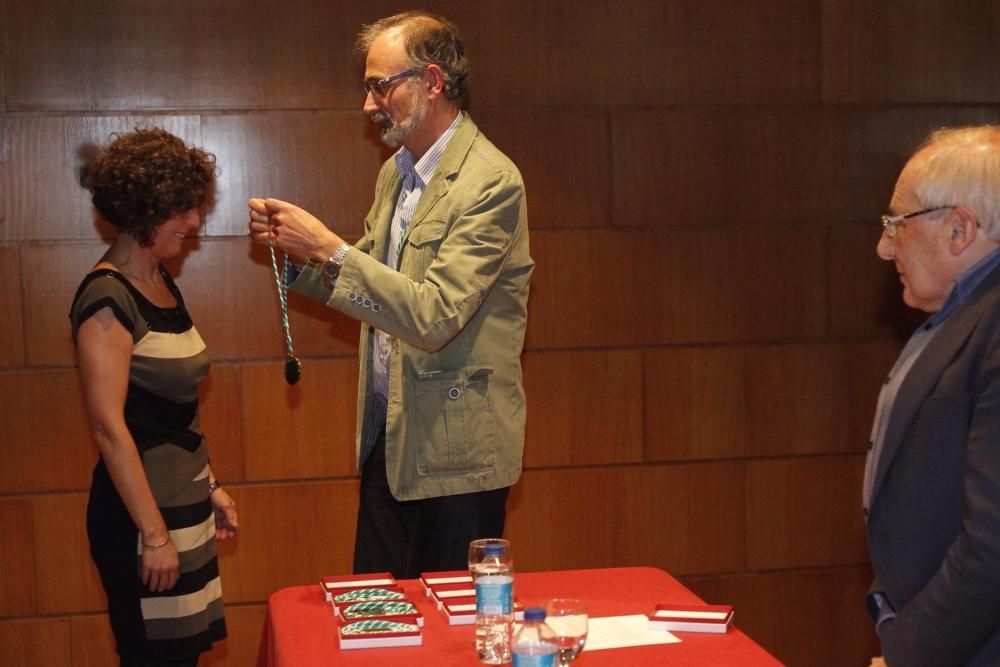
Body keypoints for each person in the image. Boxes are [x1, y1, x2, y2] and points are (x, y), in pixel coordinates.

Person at [248, 11, 532, 579]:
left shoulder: (491, 182)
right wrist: (302, 254)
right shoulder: (396, 174)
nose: (369, 104)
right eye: (367, 87)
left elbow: (434, 315)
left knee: (446, 636)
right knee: (380, 620)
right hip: (391, 435)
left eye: (381, 85)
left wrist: (329, 248)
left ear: (431, 82)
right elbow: (378, 282)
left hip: (457, 457)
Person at [70, 128, 237, 667]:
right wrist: (155, 536)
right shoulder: (106, 296)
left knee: (181, 659)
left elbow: (171, 411)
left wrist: (209, 485)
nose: (194, 223)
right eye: (182, 209)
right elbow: (109, 427)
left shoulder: (161, 280)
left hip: (181, 503)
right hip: (141, 518)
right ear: (146, 209)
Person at [863, 124, 1000, 666]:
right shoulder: (968, 315)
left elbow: (993, 545)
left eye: (896, 224)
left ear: (959, 230)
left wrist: (910, 650)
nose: (882, 246)